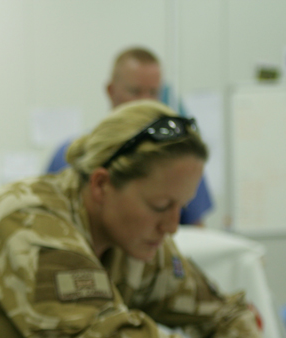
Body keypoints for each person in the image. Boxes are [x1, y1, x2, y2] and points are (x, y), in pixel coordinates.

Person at [0, 100, 286, 338]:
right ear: (102, 185)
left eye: (182, 207)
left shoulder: (132, 239)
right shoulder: (26, 219)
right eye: (160, 205)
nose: (173, 225)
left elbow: (219, 312)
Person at [45, 46, 213, 226]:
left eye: (153, 92)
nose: (145, 101)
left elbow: (196, 233)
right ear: (111, 91)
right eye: (134, 91)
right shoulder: (70, 154)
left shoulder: (178, 156)